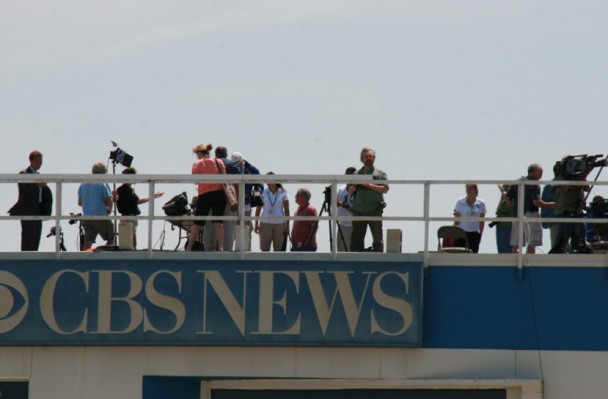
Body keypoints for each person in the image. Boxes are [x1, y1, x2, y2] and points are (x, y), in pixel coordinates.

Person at [506, 163, 555, 254]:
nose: (541, 175)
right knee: (532, 243)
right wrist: (550, 204)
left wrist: (513, 208)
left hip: (517, 215)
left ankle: (514, 263)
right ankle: (530, 262)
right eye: (540, 173)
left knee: (516, 243)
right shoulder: (534, 184)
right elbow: (536, 202)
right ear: (532, 173)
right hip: (531, 215)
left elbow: (507, 197)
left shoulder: (517, 182)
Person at [8, 150, 52, 251]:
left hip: (38, 211)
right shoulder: (23, 173)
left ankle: (33, 263)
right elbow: (24, 192)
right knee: (28, 240)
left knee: (36, 241)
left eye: (40, 163)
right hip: (28, 210)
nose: (39, 165)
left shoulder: (39, 175)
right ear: (31, 161)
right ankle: (25, 263)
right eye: (37, 162)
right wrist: (37, 185)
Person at [186, 144, 226, 252]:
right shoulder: (218, 162)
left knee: (198, 223)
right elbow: (224, 177)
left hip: (204, 194)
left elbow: (195, 180)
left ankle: (189, 247)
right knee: (218, 223)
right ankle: (221, 247)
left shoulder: (197, 164)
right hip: (219, 194)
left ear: (199, 153)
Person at [550, 157, 594, 254]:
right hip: (565, 211)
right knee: (562, 240)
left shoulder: (579, 177)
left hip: (577, 211)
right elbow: (572, 186)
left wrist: (584, 173)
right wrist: (586, 171)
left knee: (580, 238)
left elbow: (586, 188)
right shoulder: (562, 178)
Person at [348, 147, 389, 252]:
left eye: (371, 156)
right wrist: (357, 184)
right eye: (366, 156)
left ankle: (378, 259)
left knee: (377, 238)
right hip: (359, 210)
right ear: (362, 158)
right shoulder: (356, 174)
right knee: (356, 240)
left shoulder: (380, 174)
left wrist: (369, 185)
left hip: (374, 209)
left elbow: (384, 189)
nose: (369, 158)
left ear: (374, 158)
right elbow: (349, 191)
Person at [115, 167, 164, 249]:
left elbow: (138, 201)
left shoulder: (130, 190)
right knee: (130, 238)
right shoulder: (121, 190)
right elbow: (116, 199)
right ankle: (133, 251)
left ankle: (133, 250)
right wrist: (114, 196)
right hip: (128, 216)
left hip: (131, 216)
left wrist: (153, 196)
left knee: (130, 237)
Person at [203, 146, 241, 251]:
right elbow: (238, 185)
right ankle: (227, 250)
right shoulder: (233, 165)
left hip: (213, 195)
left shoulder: (211, 164)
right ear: (226, 154)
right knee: (228, 227)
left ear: (216, 154)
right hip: (229, 198)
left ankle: (209, 250)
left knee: (211, 225)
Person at [78, 162, 115, 250]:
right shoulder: (102, 183)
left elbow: (80, 202)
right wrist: (109, 210)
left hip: (87, 217)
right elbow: (108, 201)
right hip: (101, 217)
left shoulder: (83, 184)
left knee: (88, 242)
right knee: (111, 237)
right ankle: (107, 257)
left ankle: (83, 259)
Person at [231, 151, 263, 251]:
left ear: (242, 161)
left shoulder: (251, 169)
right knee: (232, 228)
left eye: (238, 163)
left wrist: (256, 192)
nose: (237, 165)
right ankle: (231, 250)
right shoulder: (229, 168)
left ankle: (247, 250)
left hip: (246, 203)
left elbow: (260, 184)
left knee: (247, 228)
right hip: (232, 204)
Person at [254, 172, 290, 251]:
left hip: (280, 224)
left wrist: (287, 226)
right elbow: (258, 209)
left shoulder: (283, 192)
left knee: (278, 251)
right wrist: (256, 224)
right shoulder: (262, 192)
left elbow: (287, 210)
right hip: (265, 223)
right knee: (264, 250)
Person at [453, 184, 486, 253]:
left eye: (470, 188)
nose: (468, 190)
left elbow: (482, 221)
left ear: (475, 190)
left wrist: (480, 234)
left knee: (473, 256)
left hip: (474, 233)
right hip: (461, 233)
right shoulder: (460, 202)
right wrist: (454, 233)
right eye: (467, 188)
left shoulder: (481, 203)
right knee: (460, 255)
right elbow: (457, 220)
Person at [336, 167, 357, 251]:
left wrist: (343, 204)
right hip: (342, 224)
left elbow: (356, 209)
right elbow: (336, 203)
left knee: (352, 251)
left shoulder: (358, 190)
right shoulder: (341, 189)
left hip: (353, 225)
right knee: (341, 250)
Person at [492, 184, 512, 254]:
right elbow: (497, 212)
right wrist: (502, 198)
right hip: (500, 228)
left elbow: (511, 208)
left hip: (508, 228)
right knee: (501, 251)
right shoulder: (503, 200)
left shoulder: (513, 200)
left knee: (507, 251)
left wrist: (504, 194)